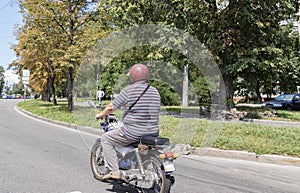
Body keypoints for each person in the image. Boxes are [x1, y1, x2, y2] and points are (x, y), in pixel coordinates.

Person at [95, 63, 161, 180]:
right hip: (152, 131)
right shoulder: (155, 91)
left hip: (133, 132)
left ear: (133, 76)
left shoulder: (129, 90)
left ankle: (114, 171)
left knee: (106, 139)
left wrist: (102, 114)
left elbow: (112, 107)